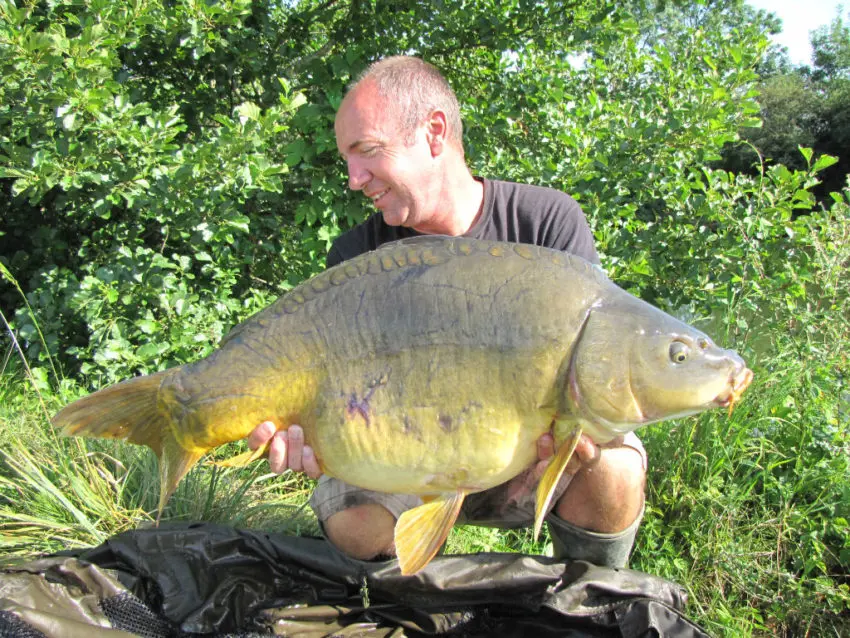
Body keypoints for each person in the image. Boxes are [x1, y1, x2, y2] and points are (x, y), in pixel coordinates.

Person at [247, 56, 646, 569]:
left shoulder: (547, 223)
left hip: (529, 456)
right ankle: (408, 606)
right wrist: (313, 440)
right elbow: (338, 405)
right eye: (348, 159)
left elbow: (598, 368)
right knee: (356, 523)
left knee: (615, 468)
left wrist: (577, 429)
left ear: (434, 132)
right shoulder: (357, 260)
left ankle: (589, 600)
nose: (353, 178)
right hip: (402, 460)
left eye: (367, 152)